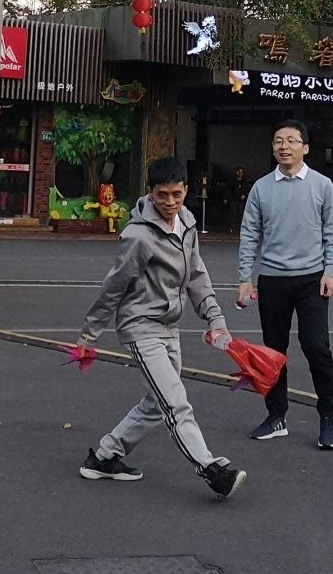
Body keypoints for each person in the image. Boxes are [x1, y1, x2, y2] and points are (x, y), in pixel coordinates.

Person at [75, 157, 246, 500]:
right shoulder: (138, 236)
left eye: (176, 194)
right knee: (175, 402)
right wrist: (89, 335)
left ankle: (105, 457)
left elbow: (196, 276)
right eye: (162, 195)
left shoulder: (187, 223)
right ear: (150, 192)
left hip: (169, 327)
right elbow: (114, 286)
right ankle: (211, 469)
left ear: (186, 189)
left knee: (157, 402)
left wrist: (215, 319)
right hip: (140, 326)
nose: (169, 202)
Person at [235, 119, 333, 449]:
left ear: (305, 148)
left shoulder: (322, 185)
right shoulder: (261, 188)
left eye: (292, 140)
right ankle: (276, 416)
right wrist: (245, 278)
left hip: (312, 279)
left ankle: (329, 417)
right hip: (272, 280)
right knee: (273, 352)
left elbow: (332, 231)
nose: (284, 146)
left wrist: (330, 271)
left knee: (316, 347)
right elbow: (249, 233)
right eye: (278, 141)